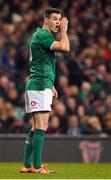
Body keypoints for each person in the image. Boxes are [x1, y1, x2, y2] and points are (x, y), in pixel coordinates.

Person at [20, 7, 70, 173]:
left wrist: (51, 84)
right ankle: (37, 166)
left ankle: (27, 165)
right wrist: (64, 31)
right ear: (46, 20)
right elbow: (65, 47)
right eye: (55, 19)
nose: (57, 22)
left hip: (41, 83)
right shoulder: (43, 35)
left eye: (59, 19)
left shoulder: (39, 35)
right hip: (39, 85)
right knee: (41, 126)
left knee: (36, 127)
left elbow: (41, 62)